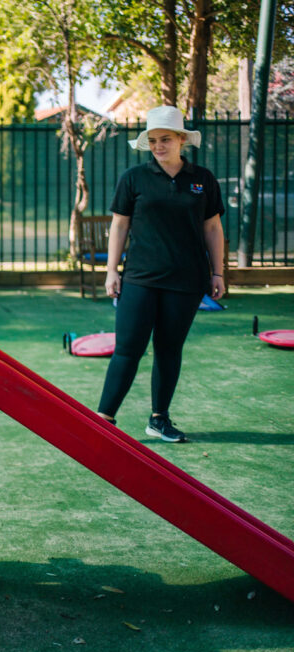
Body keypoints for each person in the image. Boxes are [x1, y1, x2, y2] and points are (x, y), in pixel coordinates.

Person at [95, 105, 226, 442]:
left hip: (186, 281)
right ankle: (102, 419)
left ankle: (158, 419)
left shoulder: (203, 180)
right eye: (152, 140)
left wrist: (218, 273)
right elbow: (119, 225)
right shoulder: (134, 178)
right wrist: (112, 270)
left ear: (181, 140)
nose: (158, 146)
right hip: (140, 278)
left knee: (169, 350)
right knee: (128, 349)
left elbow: (213, 228)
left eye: (165, 139)